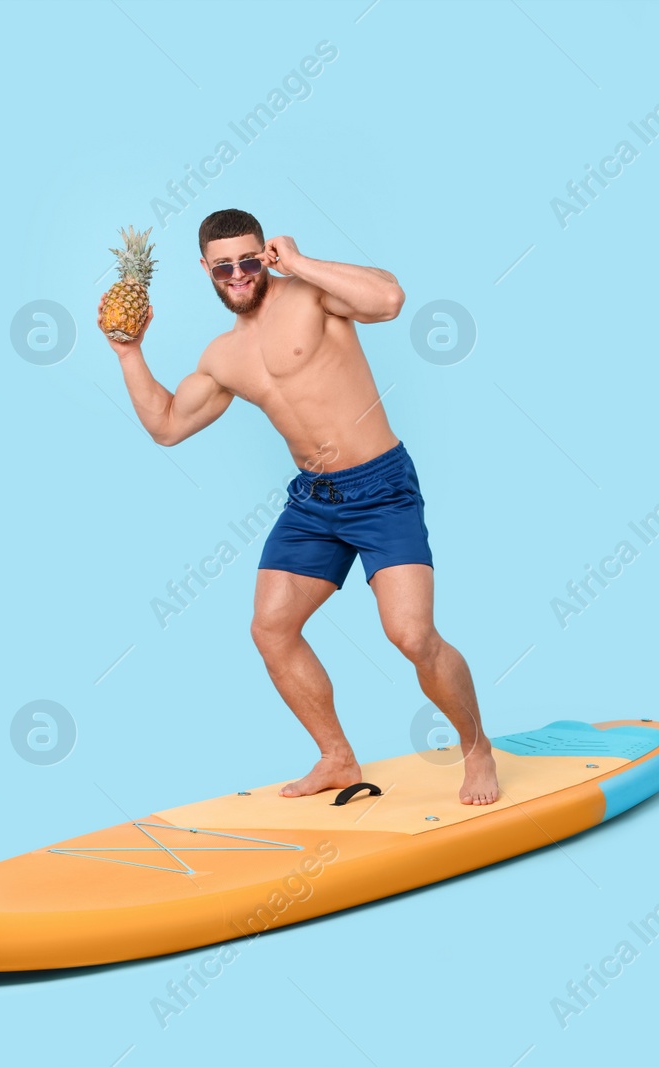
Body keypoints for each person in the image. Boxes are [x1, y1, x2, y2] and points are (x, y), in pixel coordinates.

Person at [99, 208, 499, 804]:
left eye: (249, 259)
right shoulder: (222, 358)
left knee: (412, 636)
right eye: (223, 266)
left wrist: (303, 261)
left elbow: (388, 299)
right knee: (271, 629)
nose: (239, 274)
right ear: (205, 270)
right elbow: (167, 426)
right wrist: (128, 352)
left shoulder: (313, 295)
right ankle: (336, 757)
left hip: (380, 488)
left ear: (267, 254)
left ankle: (478, 750)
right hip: (313, 501)